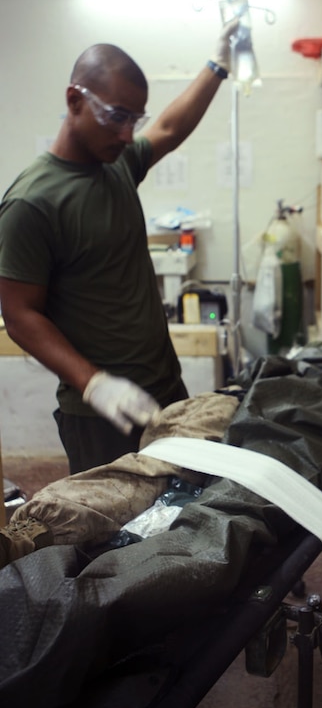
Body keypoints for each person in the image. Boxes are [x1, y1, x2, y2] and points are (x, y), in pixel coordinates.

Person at [0, 27, 235, 474]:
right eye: (117, 116)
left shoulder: (118, 164)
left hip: (164, 389)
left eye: (135, 120)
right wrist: (96, 384)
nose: (128, 134)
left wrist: (217, 67)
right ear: (74, 101)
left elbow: (169, 126)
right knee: (117, 540)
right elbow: (20, 316)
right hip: (101, 414)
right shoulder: (32, 202)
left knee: (181, 520)